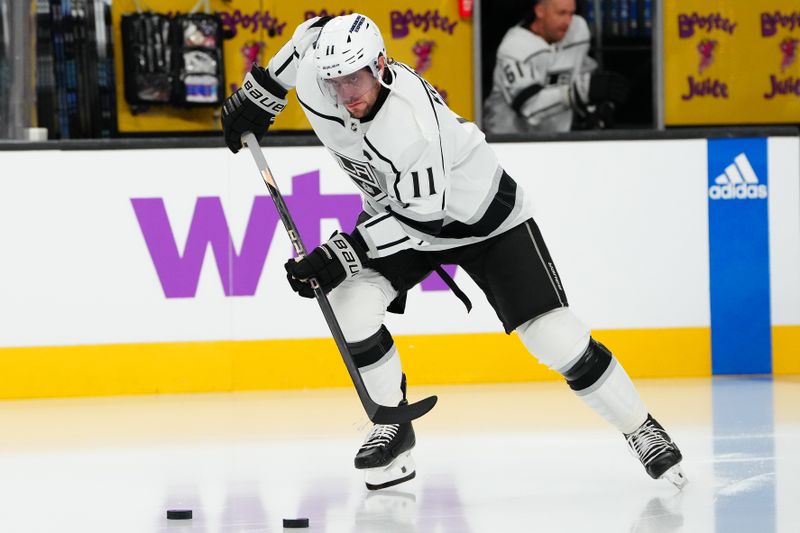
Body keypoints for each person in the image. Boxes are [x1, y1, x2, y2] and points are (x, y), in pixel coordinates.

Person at [221, 13, 686, 491]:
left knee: (553, 337)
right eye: (334, 81)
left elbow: (421, 222)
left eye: (356, 78)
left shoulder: (412, 125)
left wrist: (340, 253)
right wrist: (261, 94)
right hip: (395, 212)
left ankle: (641, 428)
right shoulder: (320, 66)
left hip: (481, 218)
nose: (347, 93)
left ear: (380, 64)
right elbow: (306, 39)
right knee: (350, 307)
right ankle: (392, 425)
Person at [484, 0, 629, 133]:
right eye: (561, 13)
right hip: (509, 143)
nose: (568, 21)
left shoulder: (577, 31)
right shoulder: (514, 46)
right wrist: (580, 93)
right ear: (540, 11)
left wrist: (593, 106)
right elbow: (529, 107)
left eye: (571, 13)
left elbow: (582, 70)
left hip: (557, 141)